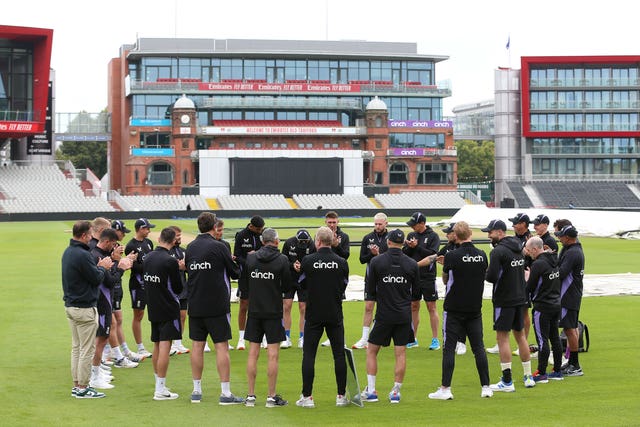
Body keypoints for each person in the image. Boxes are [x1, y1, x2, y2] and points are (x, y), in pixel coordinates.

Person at [429, 222, 493, 400]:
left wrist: (445, 267)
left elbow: (445, 280)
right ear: (471, 233)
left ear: (455, 236)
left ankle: (445, 388)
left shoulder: (452, 256)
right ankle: (486, 387)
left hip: (454, 308)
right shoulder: (482, 255)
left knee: (449, 348)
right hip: (474, 308)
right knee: (478, 347)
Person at [186, 212, 243, 404]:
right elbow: (235, 272)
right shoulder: (219, 247)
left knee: (197, 346)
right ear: (213, 226)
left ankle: (196, 391)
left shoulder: (191, 247)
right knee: (221, 346)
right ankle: (225, 393)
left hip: (195, 302)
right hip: (217, 304)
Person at [361, 229, 420, 404]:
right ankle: (395, 392)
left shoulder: (377, 262)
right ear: (403, 244)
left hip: (384, 315)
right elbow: (416, 296)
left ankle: (371, 391)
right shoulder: (412, 264)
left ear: (388, 242)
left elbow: (371, 292)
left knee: (372, 351)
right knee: (400, 354)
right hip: (403, 315)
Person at [296, 226, 350, 409]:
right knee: (338, 355)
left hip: (314, 313)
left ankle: (307, 397)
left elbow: (301, 284)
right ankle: (341, 395)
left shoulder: (308, 260)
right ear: (332, 241)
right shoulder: (341, 261)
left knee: (309, 355)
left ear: (317, 241)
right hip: (334, 312)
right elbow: (344, 285)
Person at [62, 220, 114, 399]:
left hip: (71, 305)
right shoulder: (83, 254)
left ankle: (77, 385)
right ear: (84, 235)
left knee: (77, 348)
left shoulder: (68, 251)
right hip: (84, 307)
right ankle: (83, 387)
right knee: (86, 349)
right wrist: (103, 267)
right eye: (90, 234)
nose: (92, 237)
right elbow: (96, 278)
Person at [482, 219, 535, 392]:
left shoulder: (498, 251)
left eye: (490, 232)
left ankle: (507, 381)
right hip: (520, 298)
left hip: (504, 300)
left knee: (502, 338)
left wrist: (483, 271)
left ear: (499, 232)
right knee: (521, 337)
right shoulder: (519, 247)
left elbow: (492, 277)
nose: (489, 235)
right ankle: (528, 377)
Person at [243, 228, 292, 408]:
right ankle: (271, 397)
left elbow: (245, 283)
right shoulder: (282, 259)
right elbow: (287, 286)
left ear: (262, 241)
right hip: (273, 312)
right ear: (276, 241)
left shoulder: (251, 258)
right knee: (273, 355)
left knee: (253, 353)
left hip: (255, 311)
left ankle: (250, 396)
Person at [89, 228, 134, 390]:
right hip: (102, 303)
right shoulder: (98, 256)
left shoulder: (98, 254)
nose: (115, 247)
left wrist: (115, 262)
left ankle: (97, 371)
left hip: (104, 302)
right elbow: (110, 281)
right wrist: (121, 267)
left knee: (102, 338)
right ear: (107, 241)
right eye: (113, 244)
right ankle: (94, 376)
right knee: (100, 339)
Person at [144, 227, 184, 400]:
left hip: (153, 306)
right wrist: (181, 269)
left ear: (159, 238)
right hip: (168, 307)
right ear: (174, 241)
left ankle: (158, 384)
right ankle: (160, 390)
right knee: (165, 348)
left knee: (156, 346)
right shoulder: (170, 261)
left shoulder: (148, 257)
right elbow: (178, 288)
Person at [524, 236, 564, 383]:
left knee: (542, 341)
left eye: (529, 250)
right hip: (556, 304)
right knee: (554, 338)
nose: (528, 253)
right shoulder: (554, 260)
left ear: (535, 249)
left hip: (542, 306)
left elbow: (530, 287)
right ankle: (557, 370)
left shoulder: (539, 264)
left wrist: (527, 277)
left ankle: (541, 372)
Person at [107, 220, 145, 366]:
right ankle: (115, 354)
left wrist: (126, 260)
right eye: (122, 231)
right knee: (113, 321)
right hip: (111, 285)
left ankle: (122, 351)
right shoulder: (110, 247)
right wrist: (124, 261)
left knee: (118, 320)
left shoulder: (117, 246)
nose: (123, 234)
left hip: (117, 286)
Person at [402, 212, 441, 350]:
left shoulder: (433, 236)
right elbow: (405, 254)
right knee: (413, 306)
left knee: (431, 307)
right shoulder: (411, 235)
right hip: (413, 277)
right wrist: (408, 247)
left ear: (422, 223)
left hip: (428, 276)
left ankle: (435, 339)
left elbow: (433, 255)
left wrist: (417, 247)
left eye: (414, 225)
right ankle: (412, 338)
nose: (412, 227)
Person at [352, 212, 389, 350]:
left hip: (386, 279)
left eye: (380, 224)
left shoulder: (390, 238)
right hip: (371, 279)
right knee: (368, 307)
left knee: (382, 308)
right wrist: (371, 254)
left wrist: (379, 255)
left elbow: (392, 256)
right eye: (376, 224)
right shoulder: (368, 238)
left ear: (386, 223)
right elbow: (362, 259)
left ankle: (375, 337)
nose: (377, 226)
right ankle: (364, 338)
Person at [555, 224, 585, 376]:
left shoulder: (573, 253)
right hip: (571, 294)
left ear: (567, 238)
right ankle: (572, 362)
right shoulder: (572, 250)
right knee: (570, 328)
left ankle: (575, 364)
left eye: (561, 236)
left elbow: (561, 272)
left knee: (569, 329)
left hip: (569, 295)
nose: (559, 238)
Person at [124, 218, 156, 358]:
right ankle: (140, 347)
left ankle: (158, 343)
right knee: (139, 315)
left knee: (153, 313)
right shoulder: (131, 245)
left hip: (150, 283)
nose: (149, 231)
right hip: (138, 284)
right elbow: (133, 266)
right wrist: (149, 266)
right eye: (147, 228)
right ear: (141, 229)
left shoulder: (148, 243)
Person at [281, 229, 316, 349]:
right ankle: (286, 337)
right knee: (286, 306)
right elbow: (283, 259)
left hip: (304, 279)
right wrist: (292, 265)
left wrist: (303, 267)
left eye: (305, 241)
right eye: (301, 241)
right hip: (289, 278)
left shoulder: (312, 245)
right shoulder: (289, 243)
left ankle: (303, 337)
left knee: (303, 308)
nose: (303, 243)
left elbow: (315, 261)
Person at [234, 215, 265, 350]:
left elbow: (267, 252)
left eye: (261, 229)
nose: (260, 231)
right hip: (245, 275)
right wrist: (249, 259)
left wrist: (256, 255)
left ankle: (263, 337)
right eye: (258, 229)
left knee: (261, 305)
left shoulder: (263, 234)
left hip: (261, 274)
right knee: (244, 305)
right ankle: (241, 339)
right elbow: (236, 256)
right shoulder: (241, 235)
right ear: (251, 226)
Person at [320, 211, 350, 347]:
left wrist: (336, 245)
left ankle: (339, 338)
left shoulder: (344, 237)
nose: (332, 225)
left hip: (337, 276)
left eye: (334, 222)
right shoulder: (320, 235)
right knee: (322, 305)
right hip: (322, 274)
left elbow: (346, 256)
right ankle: (328, 337)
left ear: (338, 221)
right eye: (329, 222)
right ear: (325, 222)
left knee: (338, 307)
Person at [437, 222, 467, 356]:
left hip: (464, 286)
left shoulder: (464, 247)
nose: (446, 235)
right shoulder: (448, 247)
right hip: (450, 285)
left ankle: (461, 342)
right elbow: (438, 257)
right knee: (449, 314)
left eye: (449, 232)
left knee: (464, 315)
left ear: (456, 233)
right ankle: (450, 341)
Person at [168, 225, 189, 355]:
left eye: (180, 235)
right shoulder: (167, 251)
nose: (179, 238)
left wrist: (184, 267)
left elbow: (189, 267)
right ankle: (170, 343)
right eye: (177, 235)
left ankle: (178, 342)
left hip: (183, 288)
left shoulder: (183, 251)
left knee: (182, 316)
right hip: (171, 289)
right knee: (171, 317)